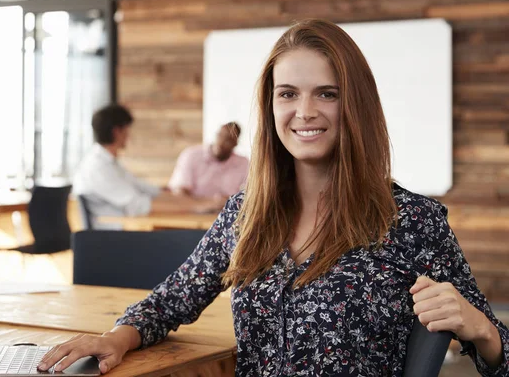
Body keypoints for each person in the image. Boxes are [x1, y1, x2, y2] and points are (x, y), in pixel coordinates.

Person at [40, 20, 509, 376]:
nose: (305, 112)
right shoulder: (246, 214)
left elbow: (501, 355)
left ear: (356, 105)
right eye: (288, 94)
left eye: (327, 94)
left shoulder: (412, 219)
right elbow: (173, 300)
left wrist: (480, 327)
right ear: (271, 105)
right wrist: (116, 338)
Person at [73, 104, 226, 228]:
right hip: (112, 235)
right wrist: (198, 207)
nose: (129, 135)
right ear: (117, 132)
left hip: (125, 228)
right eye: (127, 129)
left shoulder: (109, 163)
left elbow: (150, 191)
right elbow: (139, 205)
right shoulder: (98, 167)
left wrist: (204, 202)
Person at [168, 122, 249, 199]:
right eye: (220, 136)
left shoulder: (243, 163)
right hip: (193, 210)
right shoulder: (191, 155)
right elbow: (179, 192)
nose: (221, 143)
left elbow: (247, 194)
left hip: (227, 211)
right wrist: (210, 203)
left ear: (235, 143)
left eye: (228, 140)